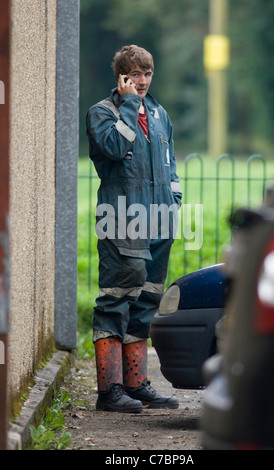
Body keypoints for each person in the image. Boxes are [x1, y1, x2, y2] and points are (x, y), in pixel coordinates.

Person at [86, 45, 182, 413]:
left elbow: (171, 163)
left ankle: (135, 384)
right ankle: (109, 391)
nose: (142, 82)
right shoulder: (103, 113)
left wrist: (174, 201)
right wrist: (128, 105)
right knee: (116, 300)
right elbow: (113, 147)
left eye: (147, 74)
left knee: (146, 301)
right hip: (121, 218)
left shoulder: (159, 113)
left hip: (159, 221)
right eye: (134, 75)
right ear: (121, 78)